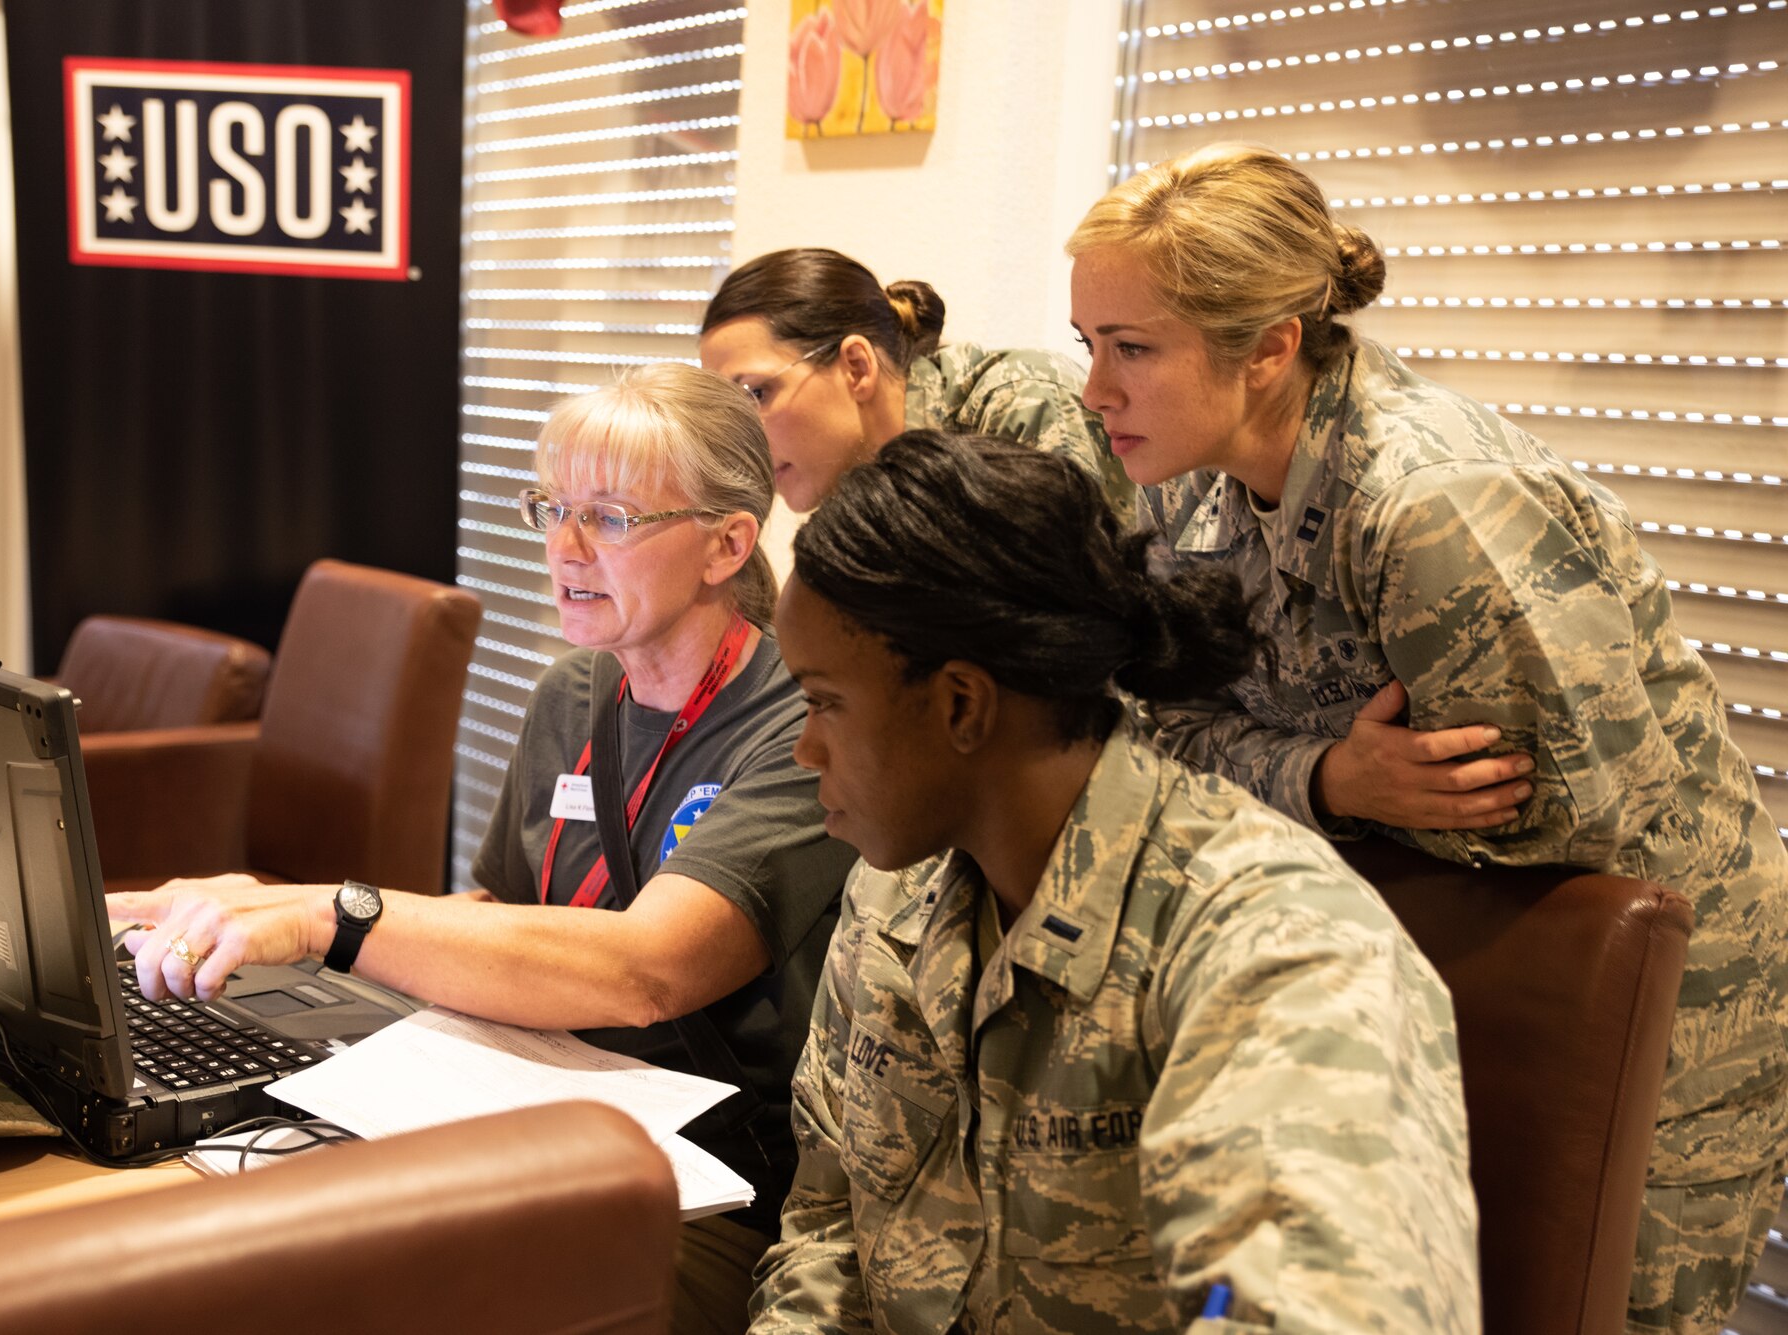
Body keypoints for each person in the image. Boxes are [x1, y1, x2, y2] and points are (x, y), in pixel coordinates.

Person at [1067, 142, 1788, 1335]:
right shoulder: (1181, 477)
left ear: (1269, 347)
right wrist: (1328, 775)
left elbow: (1576, 812)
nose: (1093, 389)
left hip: (1668, 1000)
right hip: (1420, 950)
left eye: (1130, 348)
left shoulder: (1428, 501)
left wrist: (1290, 778)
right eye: (1088, 342)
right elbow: (1150, 722)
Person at [109, 363, 860, 1335]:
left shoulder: (797, 728)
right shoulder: (573, 695)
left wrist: (325, 917)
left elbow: (647, 970)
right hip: (534, 1110)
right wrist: (267, 905)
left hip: (702, 1189)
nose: (567, 547)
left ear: (725, 545)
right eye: (552, 508)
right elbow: (498, 918)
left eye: (613, 517)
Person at [754, 429, 1481, 1333]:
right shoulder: (892, 897)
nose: (804, 747)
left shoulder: (1273, 948)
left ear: (960, 705)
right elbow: (831, 1231)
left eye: (824, 702)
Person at [697, 246, 1132, 518]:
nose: (739, 439)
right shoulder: (851, 477)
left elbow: (1075, 636)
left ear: (856, 367)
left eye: (756, 393)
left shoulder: (1020, 405)